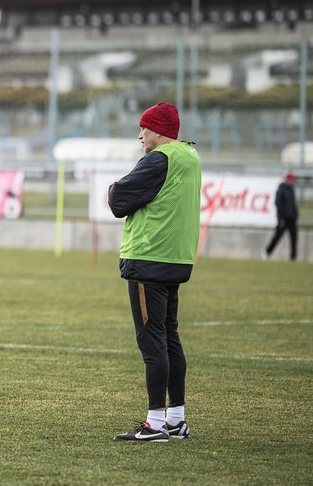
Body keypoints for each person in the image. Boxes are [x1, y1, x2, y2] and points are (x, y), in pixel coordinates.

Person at [108, 102, 200, 442]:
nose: (139, 135)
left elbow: (118, 200)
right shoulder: (189, 157)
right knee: (170, 336)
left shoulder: (157, 159)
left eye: (143, 129)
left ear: (158, 131)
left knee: (152, 341)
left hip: (149, 258)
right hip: (176, 258)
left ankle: (155, 423)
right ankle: (176, 418)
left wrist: (114, 188)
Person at [264, 171, 298, 262]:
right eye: (292, 179)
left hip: (292, 219)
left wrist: (295, 215)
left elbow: (293, 205)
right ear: (288, 179)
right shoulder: (281, 190)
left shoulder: (291, 190)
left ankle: (293, 258)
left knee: (294, 239)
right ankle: (267, 253)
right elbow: (278, 204)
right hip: (283, 219)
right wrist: (281, 217)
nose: (294, 181)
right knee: (277, 237)